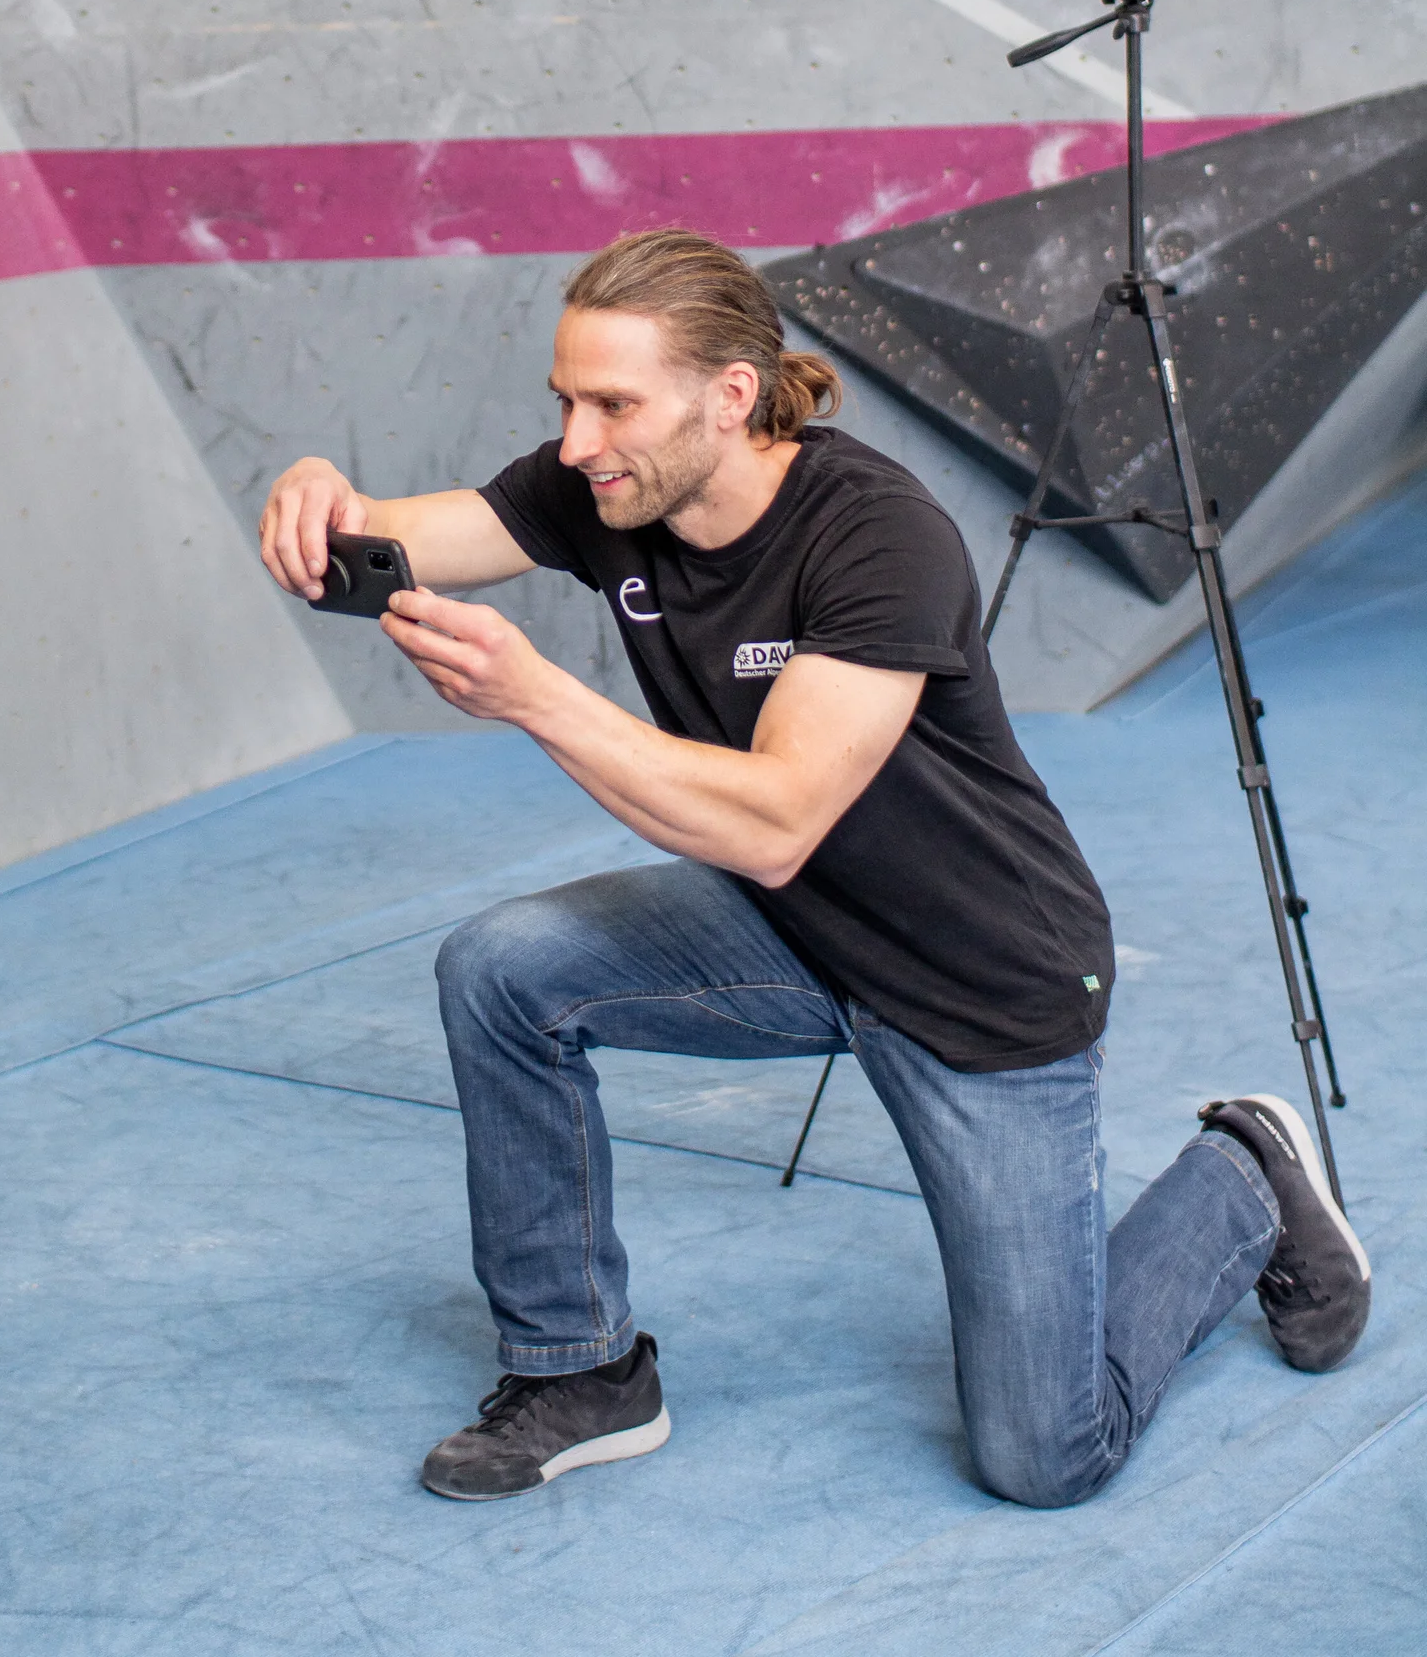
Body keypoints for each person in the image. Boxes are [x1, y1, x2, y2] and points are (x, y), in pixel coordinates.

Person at [258, 227, 1371, 1506]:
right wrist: (315, 492)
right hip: (795, 935)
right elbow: (393, 532)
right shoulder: (606, 486)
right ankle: (581, 1372)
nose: (576, 441)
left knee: (1045, 1456)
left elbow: (778, 818)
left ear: (730, 398)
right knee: (503, 972)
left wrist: (537, 697)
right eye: (565, 401)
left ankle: (1244, 1177)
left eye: (613, 404)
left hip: (978, 979)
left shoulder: (876, 536)